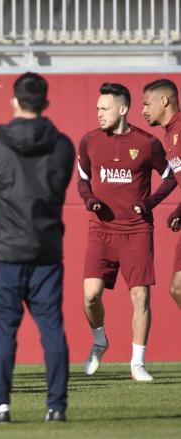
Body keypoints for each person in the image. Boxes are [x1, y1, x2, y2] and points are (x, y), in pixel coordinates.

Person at [0, 73, 74, 423]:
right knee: (52, 329)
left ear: (14, 101)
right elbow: (59, 189)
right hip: (46, 251)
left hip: (4, 254)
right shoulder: (62, 145)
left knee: (4, 331)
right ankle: (56, 407)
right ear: (45, 103)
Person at [78, 82, 175, 382]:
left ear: (122, 109)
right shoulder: (89, 141)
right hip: (101, 229)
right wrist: (89, 199)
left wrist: (149, 204)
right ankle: (99, 341)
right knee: (91, 296)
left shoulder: (147, 143)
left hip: (136, 230)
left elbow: (170, 177)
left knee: (140, 296)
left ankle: (137, 364)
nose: (99, 114)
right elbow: (82, 180)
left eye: (104, 108)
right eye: (97, 108)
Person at [141, 78, 181, 309]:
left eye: (147, 104)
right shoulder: (169, 134)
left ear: (164, 101)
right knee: (177, 289)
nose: (143, 111)